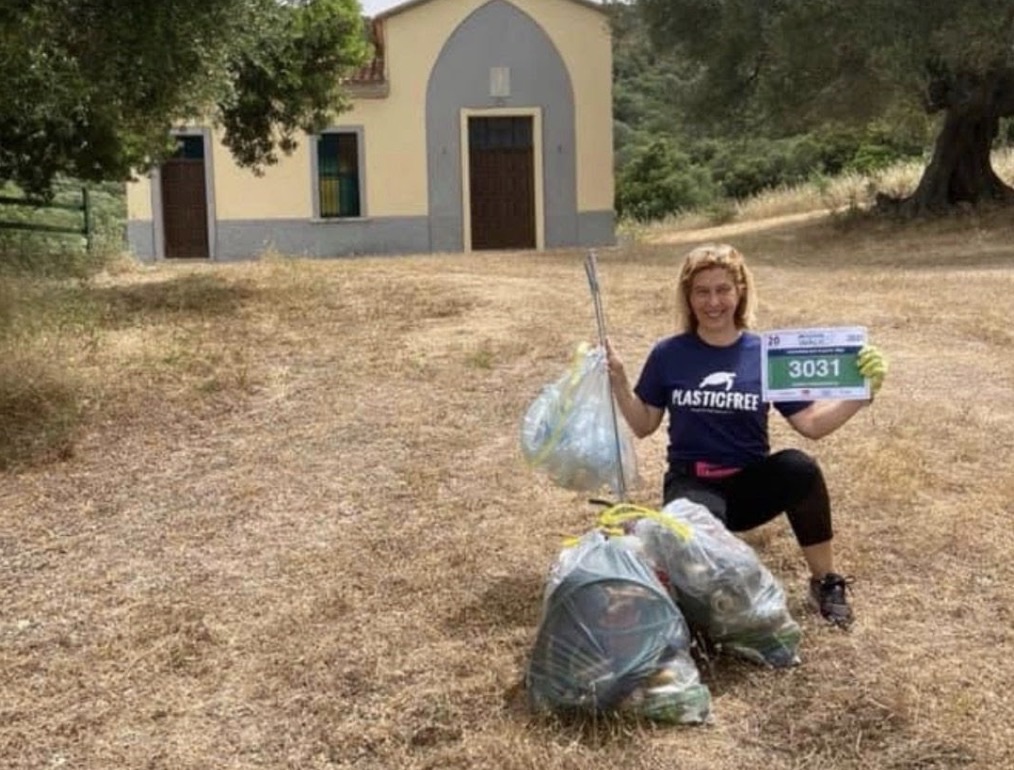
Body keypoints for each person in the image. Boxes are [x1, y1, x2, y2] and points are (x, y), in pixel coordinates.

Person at [604, 243, 888, 628]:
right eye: (702, 292)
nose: (713, 302)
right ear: (688, 297)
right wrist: (620, 382)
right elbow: (644, 424)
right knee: (707, 585)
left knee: (800, 468)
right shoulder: (669, 353)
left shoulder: (765, 354)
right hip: (692, 486)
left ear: (740, 292)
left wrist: (860, 393)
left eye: (723, 289)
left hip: (749, 486)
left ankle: (825, 581)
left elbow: (811, 424)